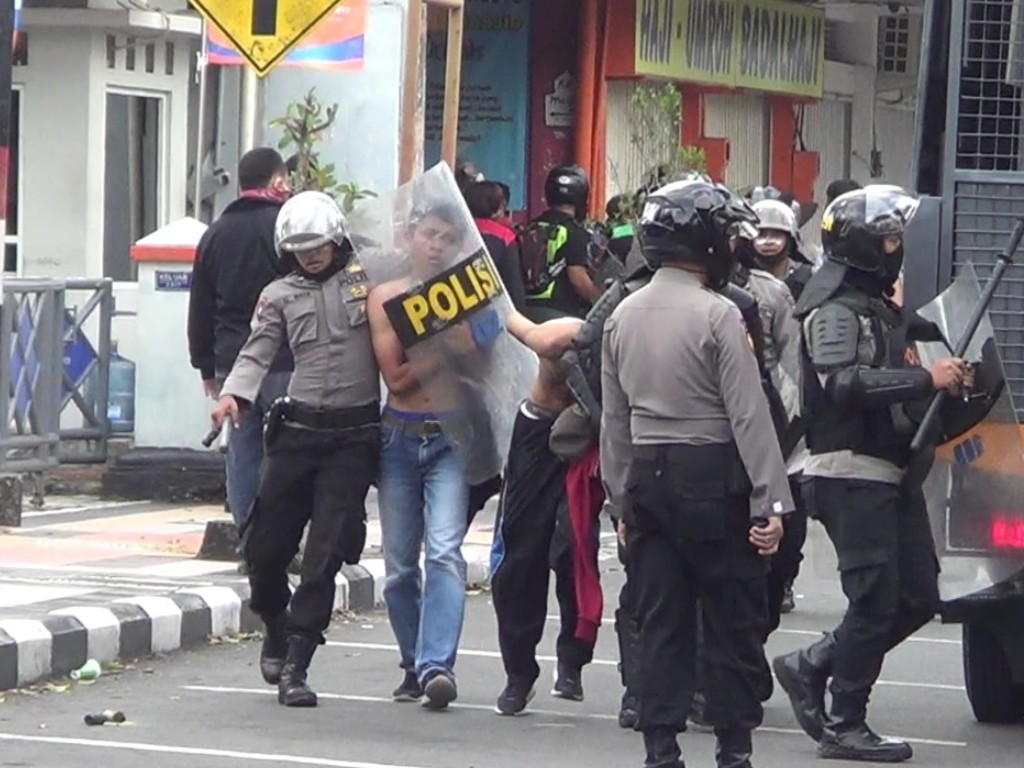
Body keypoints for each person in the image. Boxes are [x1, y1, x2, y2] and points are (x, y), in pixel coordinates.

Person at [772, 185, 973, 762]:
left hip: (890, 472)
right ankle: (844, 723)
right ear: (863, 245)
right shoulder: (834, 309)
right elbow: (840, 385)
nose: (895, 247)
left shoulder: (878, 308)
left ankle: (811, 665)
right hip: (849, 472)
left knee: (916, 596)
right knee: (875, 601)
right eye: (888, 238)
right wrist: (925, 381)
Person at [601, 178, 794, 768]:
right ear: (705, 240)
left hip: (648, 482)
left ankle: (661, 748)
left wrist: (620, 507)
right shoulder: (720, 315)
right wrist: (772, 506)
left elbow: (616, 423)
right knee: (732, 616)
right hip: (715, 480)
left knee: (660, 619)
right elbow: (749, 415)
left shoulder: (620, 314)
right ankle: (733, 749)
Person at [210, 191, 381, 708]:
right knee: (264, 549)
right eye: (300, 249)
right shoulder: (278, 294)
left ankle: (297, 666)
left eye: (319, 246)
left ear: (336, 239)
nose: (311, 256)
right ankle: (275, 624)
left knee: (324, 556)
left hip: (354, 437)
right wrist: (232, 394)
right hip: (297, 432)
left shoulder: (367, 279)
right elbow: (257, 349)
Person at [366, 201, 477, 711]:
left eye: (447, 238)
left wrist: (444, 343)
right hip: (399, 436)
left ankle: (437, 665)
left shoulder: (467, 294)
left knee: (445, 553)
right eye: (429, 234)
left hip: (451, 435)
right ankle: (413, 662)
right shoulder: (386, 297)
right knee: (399, 567)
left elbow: (483, 354)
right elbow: (397, 376)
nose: (436, 246)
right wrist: (444, 342)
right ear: (410, 236)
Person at [490, 310, 606, 716]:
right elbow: (524, 328)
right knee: (520, 556)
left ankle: (572, 660)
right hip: (539, 434)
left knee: (575, 548)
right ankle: (519, 672)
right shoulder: (570, 331)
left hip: (590, 436)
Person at [188, 147, 293, 544]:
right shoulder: (286, 229)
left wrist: (205, 366)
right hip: (285, 359)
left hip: (232, 363)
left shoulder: (215, 233)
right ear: (278, 182)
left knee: (244, 452)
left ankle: (250, 540)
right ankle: (281, 543)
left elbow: (200, 305)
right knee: (285, 453)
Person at [520, 165, 601, 322]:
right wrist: (600, 299)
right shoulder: (574, 232)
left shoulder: (531, 226)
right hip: (559, 313)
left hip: (524, 310)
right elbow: (578, 280)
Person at [464, 180, 526, 311]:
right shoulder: (505, 236)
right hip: (492, 308)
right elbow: (513, 284)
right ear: (497, 206)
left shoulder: (457, 229)